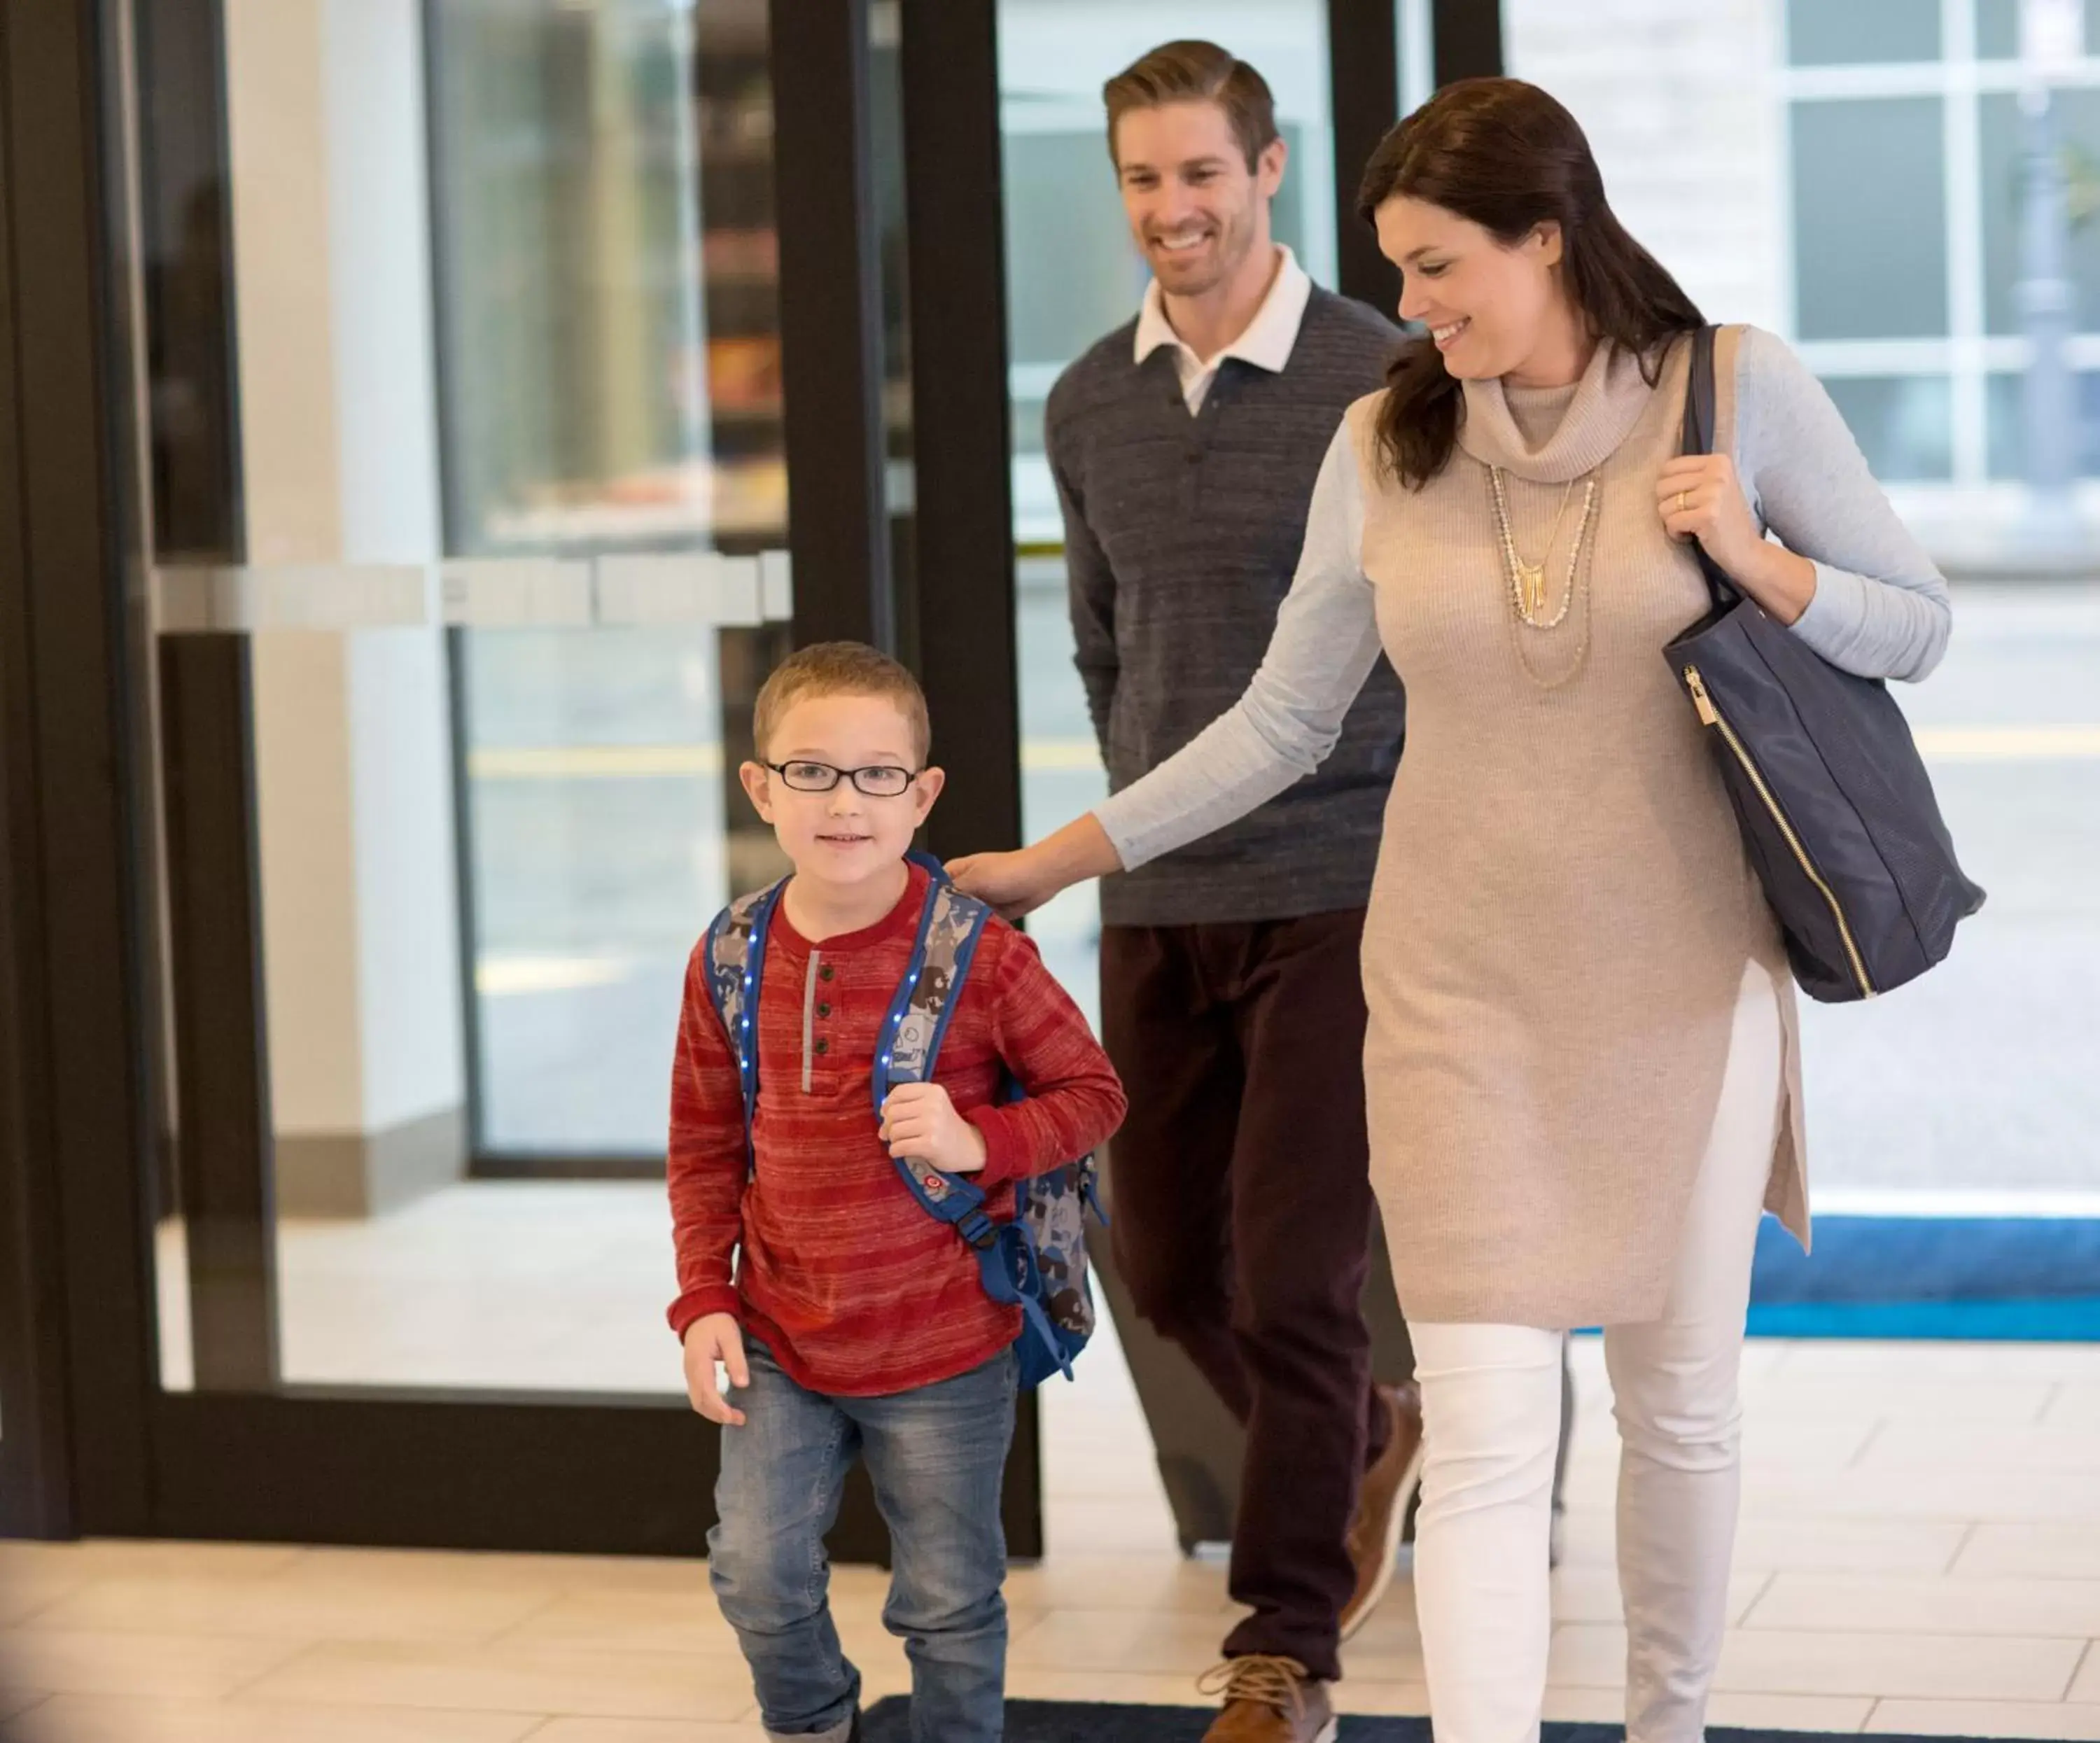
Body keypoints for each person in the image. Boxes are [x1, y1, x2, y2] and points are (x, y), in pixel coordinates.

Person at [956, 78, 1953, 1743]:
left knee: (1679, 1408)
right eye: (1397, 275)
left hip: (1682, 982)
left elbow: (1914, 626)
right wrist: (1065, 858)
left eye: (1436, 272)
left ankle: (1667, 1724)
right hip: (1450, 993)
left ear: (1546, 238)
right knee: (1487, 1432)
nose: (1410, 313)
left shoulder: (1733, 388)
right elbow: (1284, 717)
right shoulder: (1387, 439)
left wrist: (1762, 561)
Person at [1042, 41, 1427, 1738]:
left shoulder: (1388, 376)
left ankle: (1284, 1651)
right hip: (1160, 890)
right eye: (1141, 178)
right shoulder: (1084, 400)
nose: (1171, 210)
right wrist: (1132, 823)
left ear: (1268, 172)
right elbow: (1104, 644)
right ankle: (1364, 1433)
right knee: (1174, 1272)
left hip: (1348, 884)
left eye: (1201, 173)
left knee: (1292, 1275)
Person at [668, 642, 1127, 1743]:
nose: (845, 800)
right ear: (760, 787)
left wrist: (981, 1138)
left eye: (879, 774)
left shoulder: (981, 954)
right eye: (813, 770)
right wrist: (703, 1297)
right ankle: (817, 1722)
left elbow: (1094, 1092)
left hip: (944, 1342)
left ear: (922, 796)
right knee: (756, 1568)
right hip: (783, 1331)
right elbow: (702, 1140)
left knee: (949, 1601)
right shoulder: (731, 952)